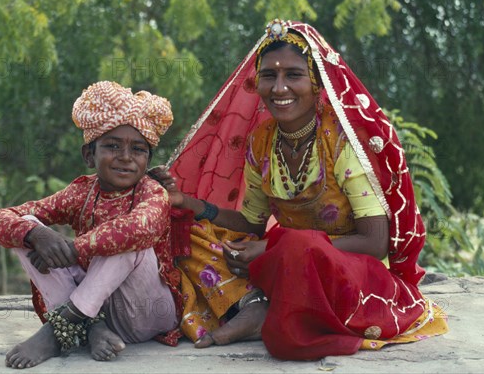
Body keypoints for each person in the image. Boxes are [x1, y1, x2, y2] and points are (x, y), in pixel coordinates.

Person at [151, 19, 448, 360]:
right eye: (269, 76)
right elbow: (251, 223)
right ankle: (252, 307)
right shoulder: (261, 142)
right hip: (286, 264)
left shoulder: (341, 141)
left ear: (317, 83)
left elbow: (375, 241)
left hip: (345, 276)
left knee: (298, 243)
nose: (279, 88)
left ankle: (272, 310)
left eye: (293, 75)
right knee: (185, 228)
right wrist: (187, 202)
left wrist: (275, 251)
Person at [0, 81, 181, 369]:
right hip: (100, 313)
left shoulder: (152, 192)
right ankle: (92, 329)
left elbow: (141, 229)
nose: (125, 157)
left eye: (138, 150)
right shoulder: (80, 192)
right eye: (113, 146)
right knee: (26, 225)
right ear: (89, 155)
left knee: (129, 242)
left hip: (147, 314)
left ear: (147, 159)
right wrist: (36, 235)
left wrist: (74, 248)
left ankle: (58, 330)